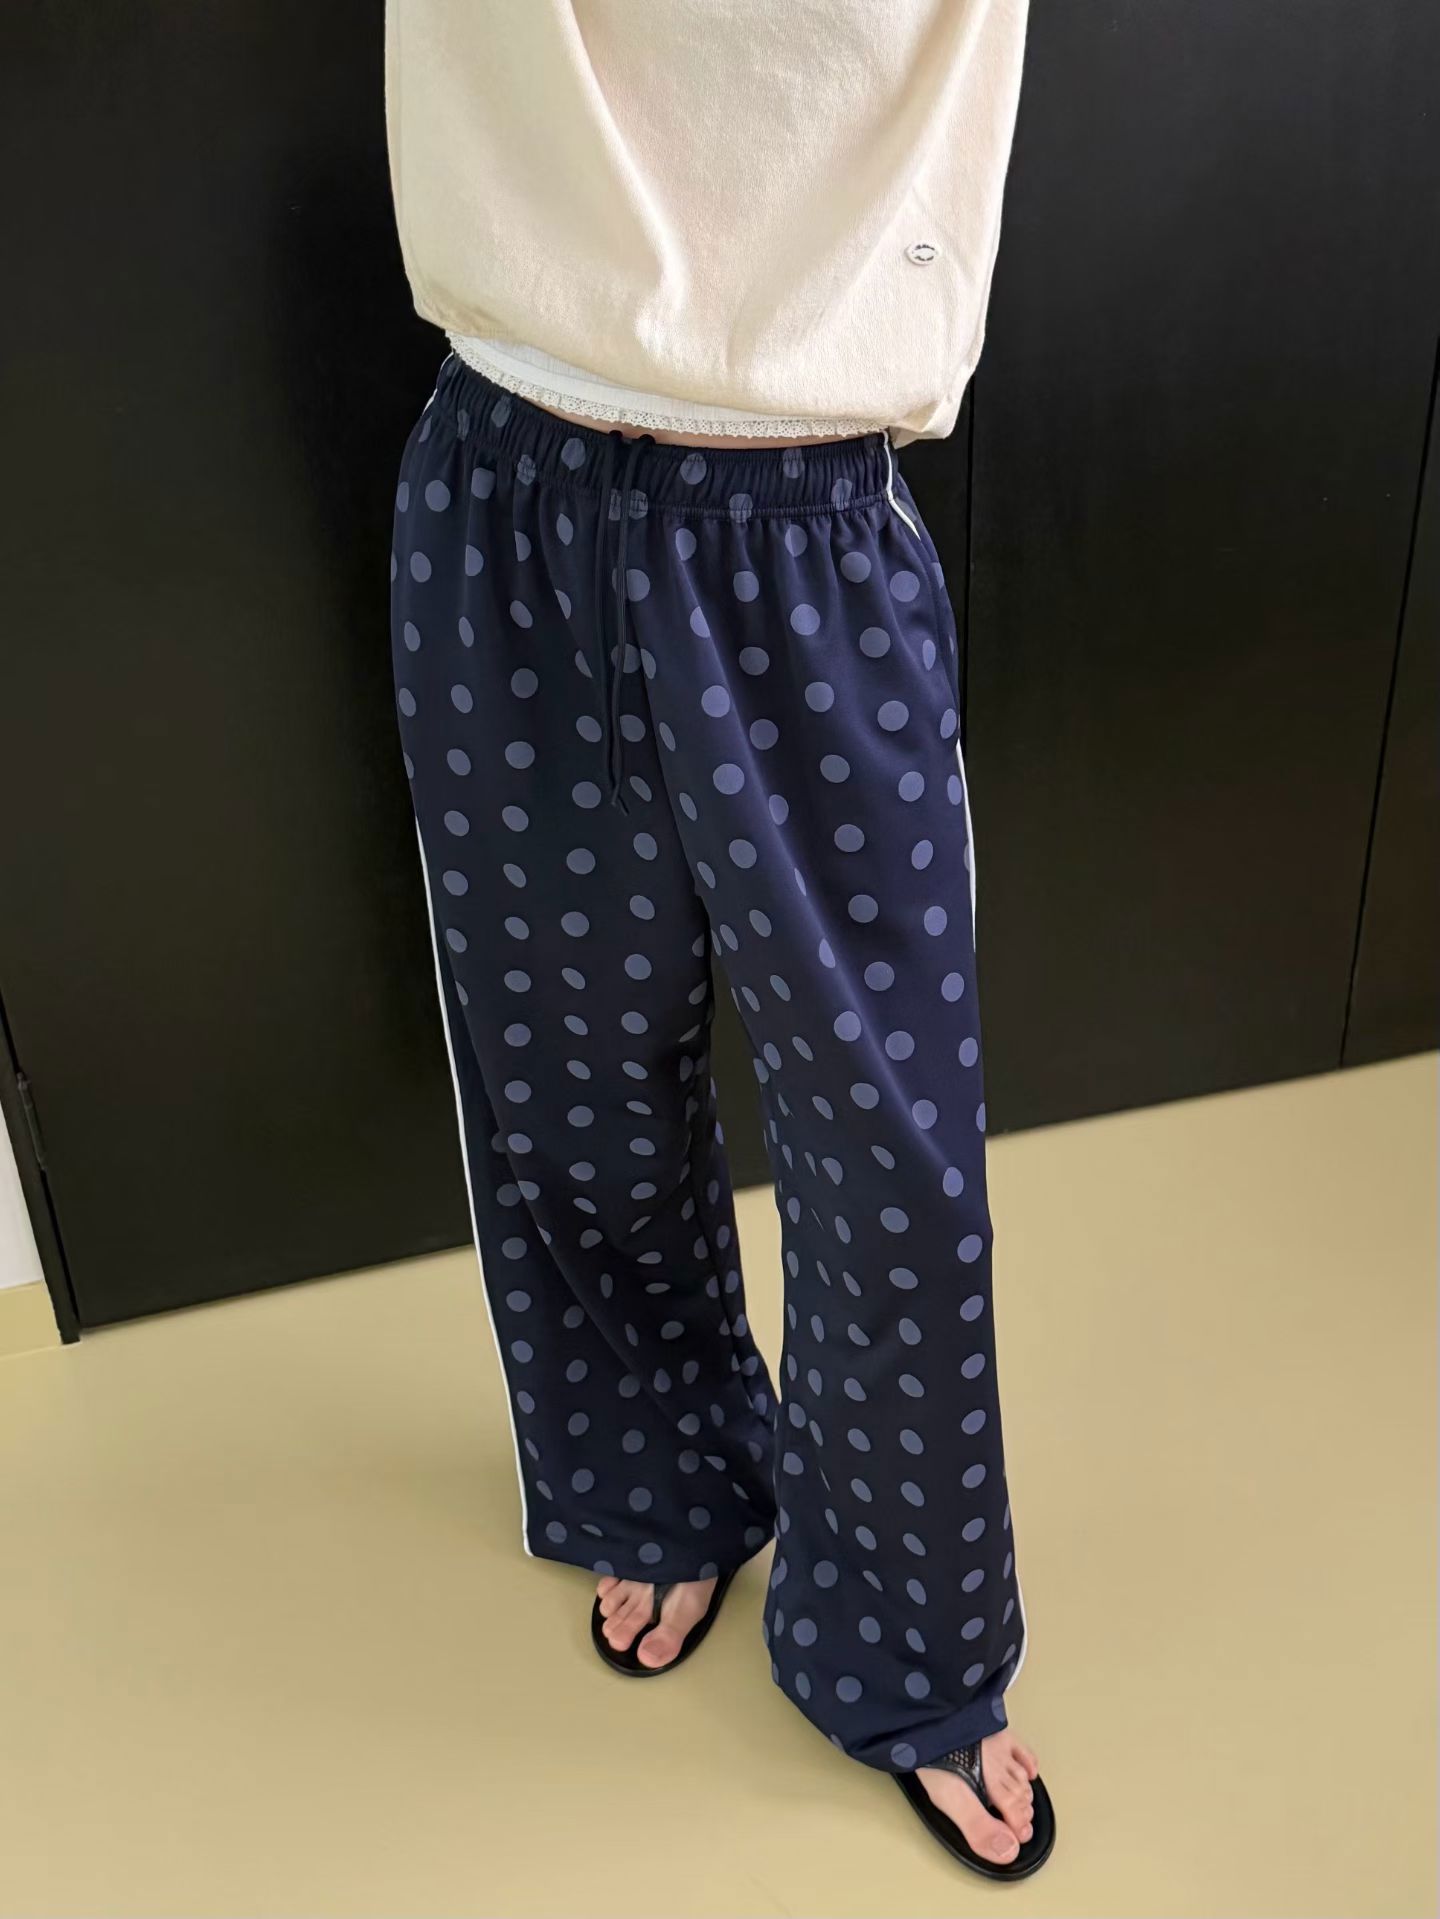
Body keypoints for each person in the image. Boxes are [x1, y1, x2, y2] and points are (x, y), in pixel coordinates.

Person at [384, 0, 1053, 1881]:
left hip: (804, 509)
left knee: (890, 1154)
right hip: (509, 460)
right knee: (565, 1081)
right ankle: (661, 1484)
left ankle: (906, 1643)